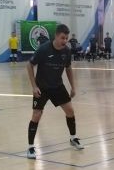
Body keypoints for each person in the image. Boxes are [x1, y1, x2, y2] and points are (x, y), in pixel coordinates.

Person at [25, 23, 84, 160]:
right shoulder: (44, 49)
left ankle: (73, 138)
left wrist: (73, 86)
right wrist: (34, 86)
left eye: (66, 38)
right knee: (36, 115)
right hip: (42, 87)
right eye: (62, 38)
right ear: (56, 36)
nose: (65, 41)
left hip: (57, 86)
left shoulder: (67, 51)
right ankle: (30, 147)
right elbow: (29, 65)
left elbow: (68, 68)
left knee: (70, 111)